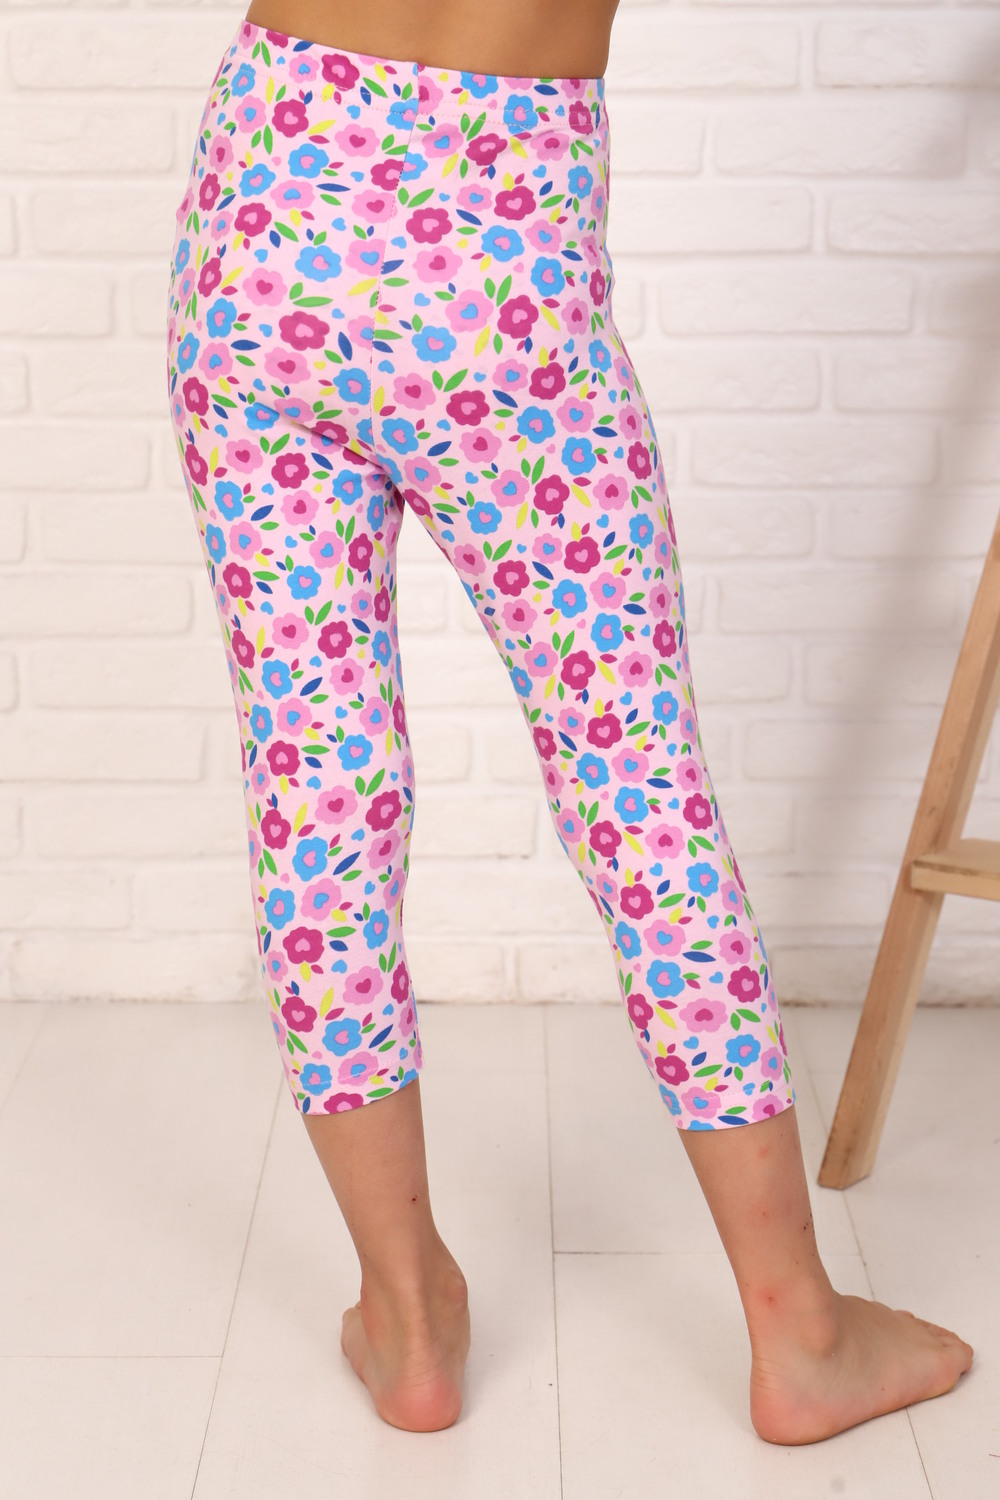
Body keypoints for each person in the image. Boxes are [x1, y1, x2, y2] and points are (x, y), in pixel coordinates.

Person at [165, 0, 973, 1444]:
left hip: (265, 210)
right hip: (499, 247)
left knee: (318, 791)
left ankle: (406, 1319)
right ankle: (799, 1332)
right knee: (637, 787)